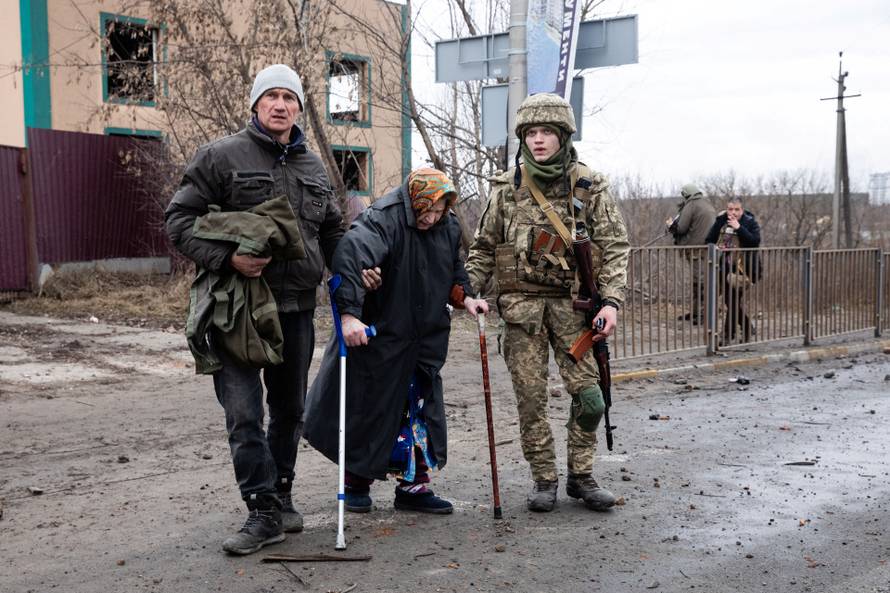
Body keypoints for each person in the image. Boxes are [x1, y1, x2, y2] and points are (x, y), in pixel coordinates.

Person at [165, 64, 379, 555]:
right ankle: (260, 510)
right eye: (272, 96)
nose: (281, 105)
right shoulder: (220, 157)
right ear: (256, 105)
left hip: (296, 307)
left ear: (300, 108)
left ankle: (280, 496)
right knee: (243, 413)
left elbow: (332, 234)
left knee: (289, 410)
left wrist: (357, 268)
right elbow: (179, 221)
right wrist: (228, 257)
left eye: (290, 97)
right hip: (236, 306)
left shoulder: (313, 166)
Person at [465, 93, 630, 513]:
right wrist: (468, 292)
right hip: (522, 315)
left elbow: (614, 247)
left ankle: (581, 474)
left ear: (563, 136)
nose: (538, 140)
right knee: (532, 401)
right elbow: (483, 248)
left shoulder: (589, 186)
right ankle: (544, 479)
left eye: (547, 133)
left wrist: (609, 301)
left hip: (574, 312)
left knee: (591, 397)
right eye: (531, 133)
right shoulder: (508, 187)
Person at [304, 168, 488, 515]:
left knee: (417, 410)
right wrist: (349, 315)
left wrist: (467, 297)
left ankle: (413, 486)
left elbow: (454, 269)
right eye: (426, 210)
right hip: (383, 333)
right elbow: (350, 256)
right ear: (414, 200)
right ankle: (355, 482)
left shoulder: (446, 227)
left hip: (424, 337)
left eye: (438, 211)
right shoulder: (384, 219)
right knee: (369, 408)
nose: (431, 218)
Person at [705, 197, 761, 344]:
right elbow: (709, 239)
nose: (733, 212)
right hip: (726, 268)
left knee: (732, 301)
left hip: (745, 270)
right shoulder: (722, 220)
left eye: (737, 209)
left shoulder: (750, 222)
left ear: (742, 210)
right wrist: (719, 226)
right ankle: (746, 328)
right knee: (732, 302)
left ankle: (728, 335)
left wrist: (739, 228)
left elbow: (754, 242)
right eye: (730, 209)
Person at [666, 183, 716, 324]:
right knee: (700, 281)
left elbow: (681, 228)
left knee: (700, 283)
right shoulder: (706, 203)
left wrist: (671, 226)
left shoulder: (691, 205)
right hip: (708, 250)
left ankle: (701, 314)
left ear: (687, 194)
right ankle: (696, 312)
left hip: (696, 250)